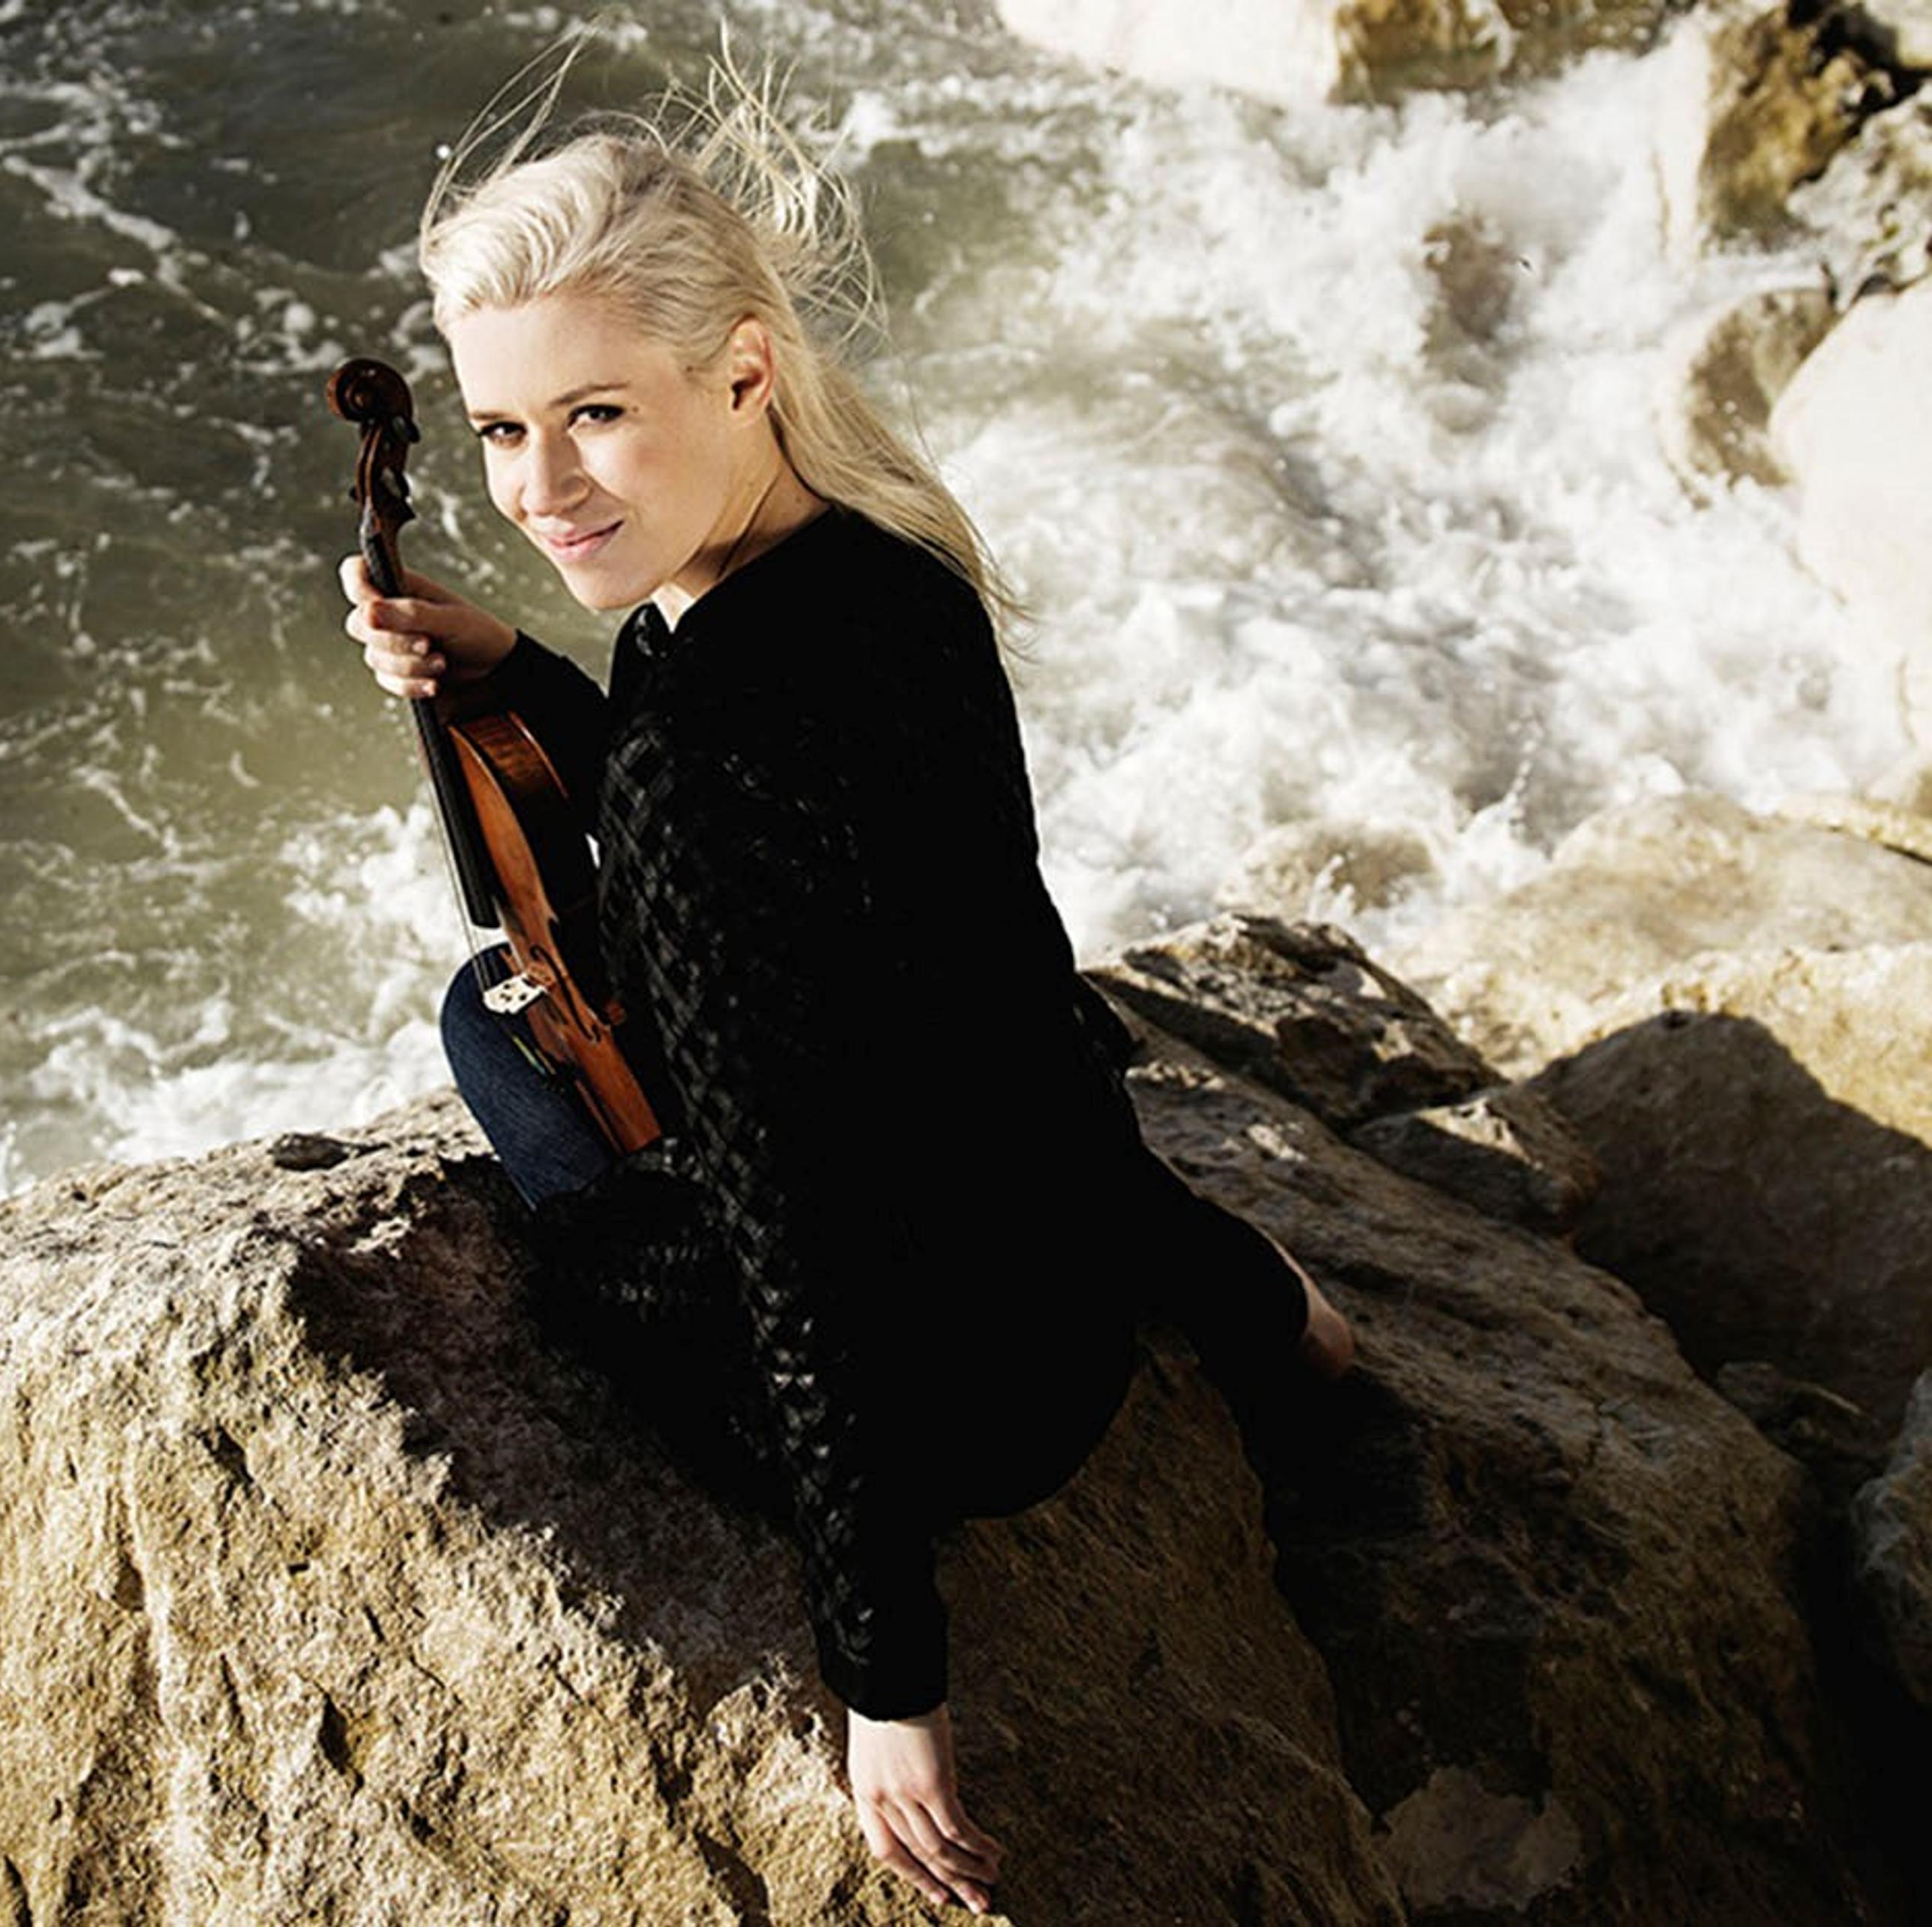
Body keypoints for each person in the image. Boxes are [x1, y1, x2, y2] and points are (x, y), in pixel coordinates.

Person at [339, 60, 1353, 1915]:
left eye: (592, 417)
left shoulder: (687, 764)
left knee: (492, 1024)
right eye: (497, 431)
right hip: (1066, 1293)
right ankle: (1249, 1292)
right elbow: (1000, 991)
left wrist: (889, 1673)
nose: (539, 488)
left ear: (737, 370)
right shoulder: (897, 567)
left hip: (951, 1413)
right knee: (912, 1012)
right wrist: (1229, 1274)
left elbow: (791, 1244)